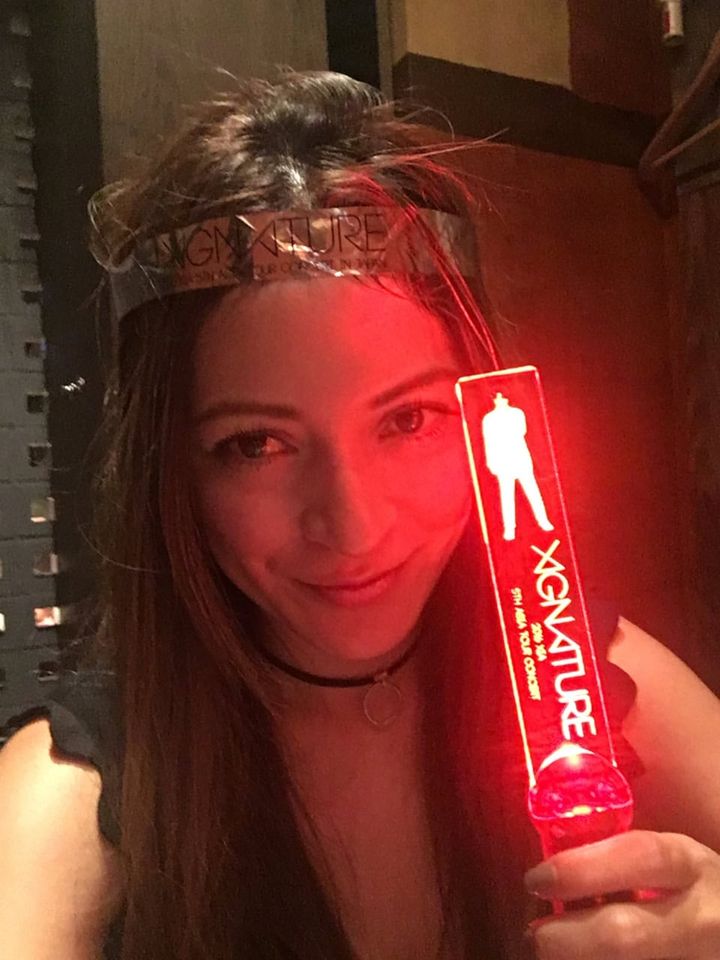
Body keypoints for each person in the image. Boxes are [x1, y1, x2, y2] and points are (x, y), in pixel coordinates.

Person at [1, 71, 719, 960]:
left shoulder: (575, 676)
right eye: (257, 444)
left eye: (408, 420)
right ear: (172, 472)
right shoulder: (75, 789)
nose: (354, 528)